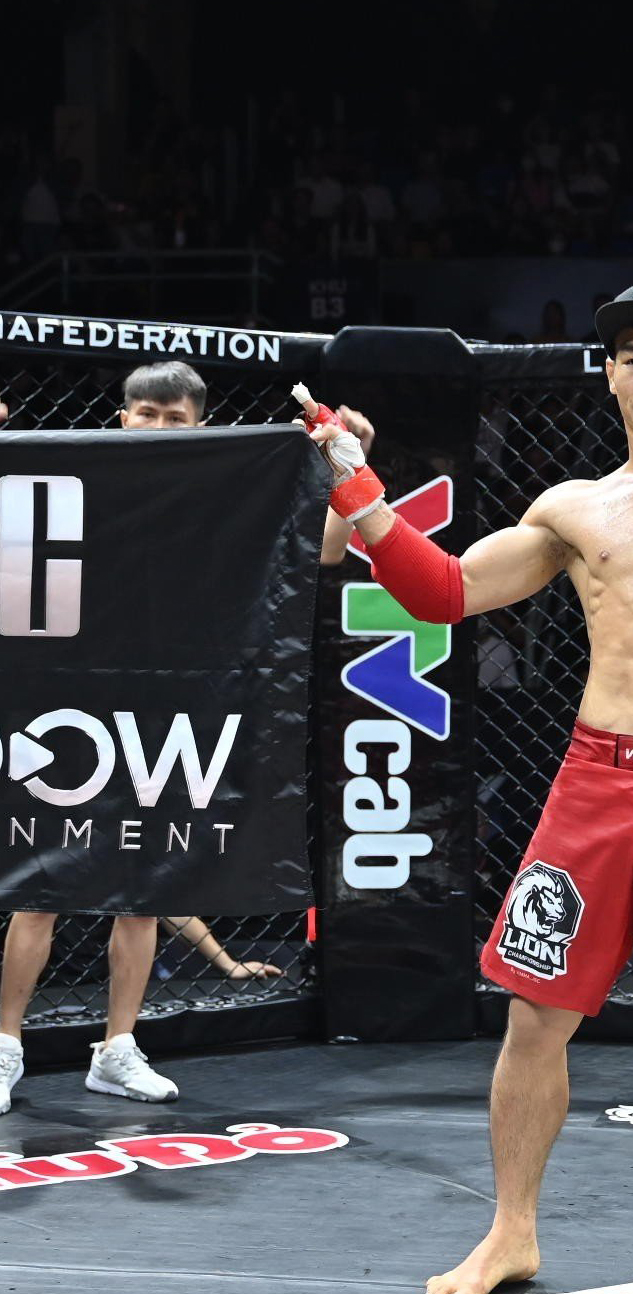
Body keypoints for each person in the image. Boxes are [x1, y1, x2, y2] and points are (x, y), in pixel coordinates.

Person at [329, 152, 633, 1294]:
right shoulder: (573, 508)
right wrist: (356, 488)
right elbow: (443, 592)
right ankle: (511, 1229)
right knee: (534, 1014)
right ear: (607, 376)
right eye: (632, 358)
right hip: (597, 778)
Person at [0, 363, 367, 1115]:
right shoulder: (71, 472)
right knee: (40, 886)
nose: (159, 428)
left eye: (175, 418)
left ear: (200, 426)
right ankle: (4, 1046)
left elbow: (325, 550)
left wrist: (345, 466)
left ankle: (118, 1049)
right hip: (67, 696)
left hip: (174, 699)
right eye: (146, 413)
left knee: (145, 889)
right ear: (122, 418)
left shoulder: (227, 487)